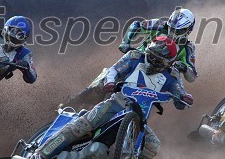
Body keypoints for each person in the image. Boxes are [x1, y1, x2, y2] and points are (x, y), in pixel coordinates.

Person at [25, 36, 194, 159]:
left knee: (152, 145)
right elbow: (114, 69)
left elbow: (180, 95)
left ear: (168, 62)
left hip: (138, 118)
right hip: (115, 104)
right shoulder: (134, 57)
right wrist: (111, 81)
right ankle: (41, 155)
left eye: (158, 61)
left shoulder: (172, 75)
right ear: (147, 51)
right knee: (82, 125)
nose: (152, 61)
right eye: (151, 56)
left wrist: (185, 99)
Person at [68, 8, 197, 110]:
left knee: (152, 104)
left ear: (188, 30)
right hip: (138, 61)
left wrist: (184, 68)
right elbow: (136, 25)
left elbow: (192, 76)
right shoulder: (159, 25)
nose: (172, 32)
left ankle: (131, 131)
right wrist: (126, 42)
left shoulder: (187, 48)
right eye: (171, 28)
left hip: (159, 75)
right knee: (105, 80)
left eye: (178, 30)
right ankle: (72, 103)